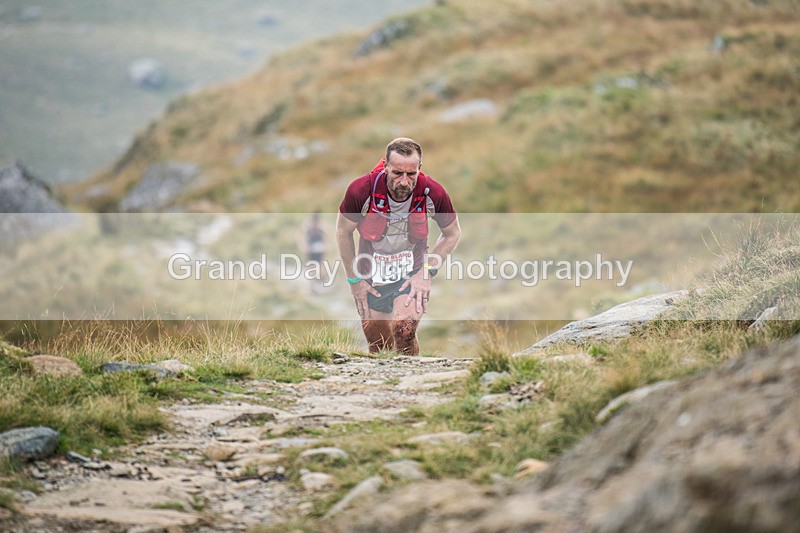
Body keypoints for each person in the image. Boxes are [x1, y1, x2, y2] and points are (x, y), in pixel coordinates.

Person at [336, 138, 461, 355]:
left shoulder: (433, 193)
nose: (404, 182)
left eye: (411, 174)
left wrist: (426, 272)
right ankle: (388, 386)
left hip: (412, 273)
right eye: (397, 173)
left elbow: (452, 233)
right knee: (379, 348)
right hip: (371, 277)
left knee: (404, 330)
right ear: (385, 166)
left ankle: (413, 384)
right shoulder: (361, 191)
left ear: (419, 169)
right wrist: (354, 280)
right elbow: (343, 232)